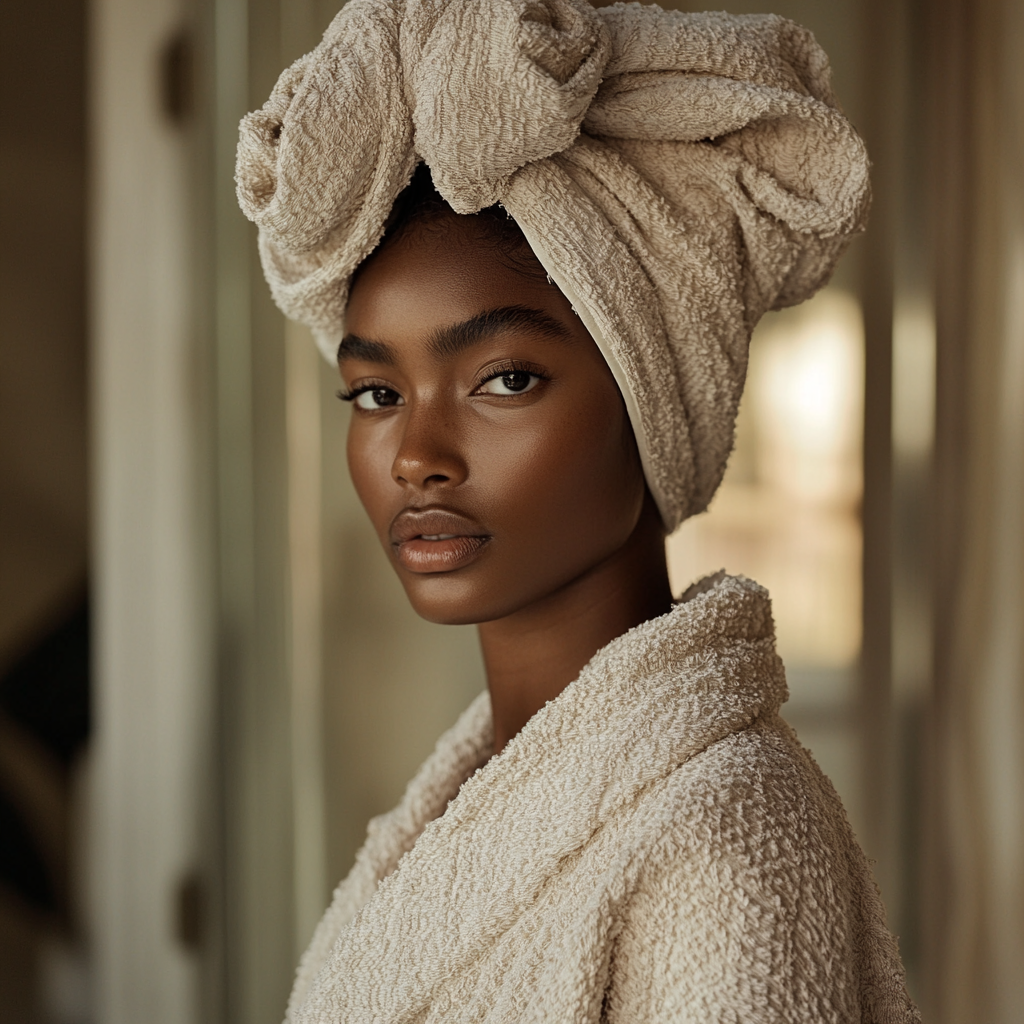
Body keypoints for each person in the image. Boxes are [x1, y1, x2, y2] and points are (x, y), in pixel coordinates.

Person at [237, 1, 920, 1020]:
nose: (416, 455)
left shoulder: (725, 847)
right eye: (377, 394)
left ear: (654, 390)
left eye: (503, 380)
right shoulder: (461, 819)